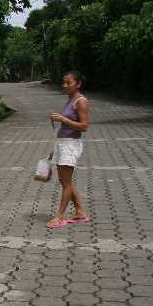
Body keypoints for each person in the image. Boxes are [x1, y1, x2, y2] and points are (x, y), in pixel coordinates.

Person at [47, 70, 91, 229]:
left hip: (71, 145)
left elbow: (84, 126)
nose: (64, 85)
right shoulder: (70, 99)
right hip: (63, 143)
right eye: (63, 82)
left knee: (66, 182)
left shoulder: (81, 101)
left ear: (78, 84)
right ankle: (79, 211)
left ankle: (59, 216)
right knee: (64, 181)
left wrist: (62, 119)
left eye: (68, 82)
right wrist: (55, 149)